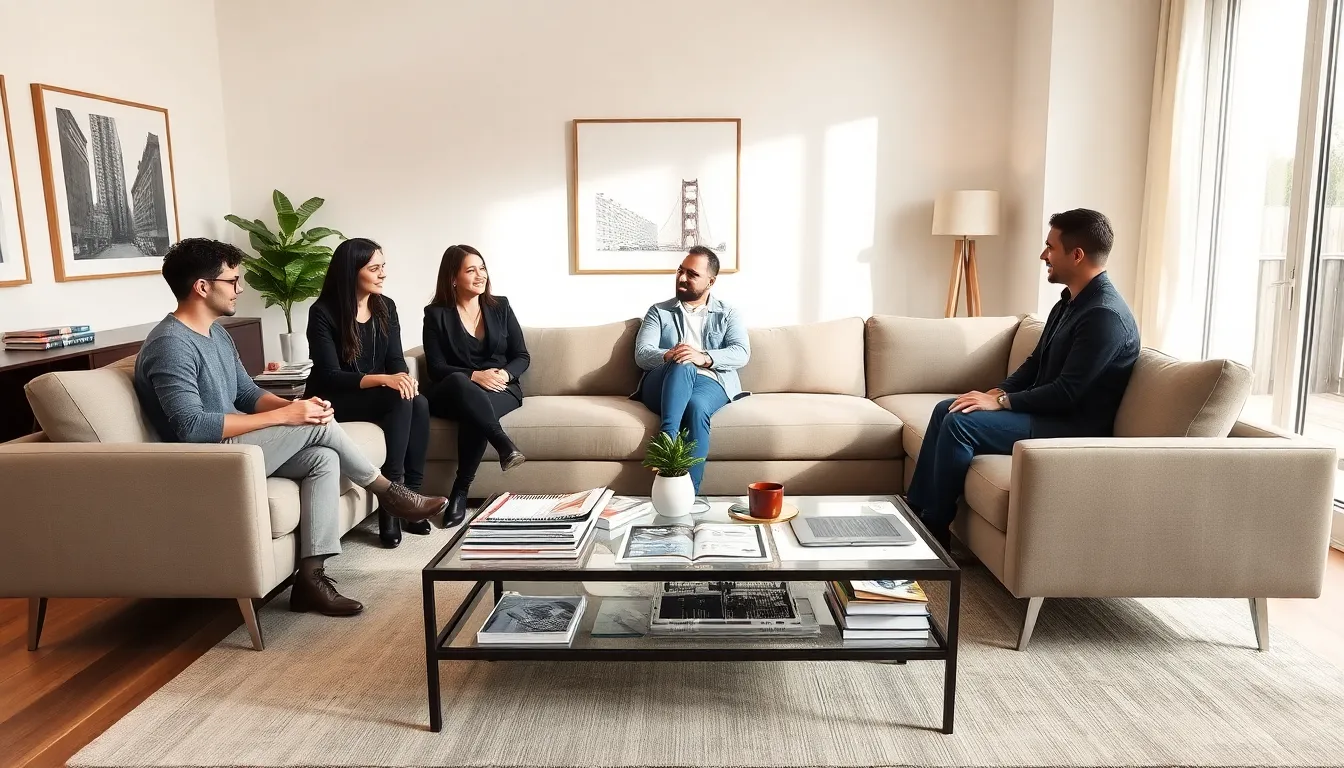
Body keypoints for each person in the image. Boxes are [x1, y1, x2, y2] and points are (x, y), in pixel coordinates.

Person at [133, 238, 449, 617]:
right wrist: (285, 417)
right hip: (206, 462)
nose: (240, 288)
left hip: (237, 447)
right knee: (318, 429)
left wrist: (295, 406)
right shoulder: (171, 345)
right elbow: (192, 427)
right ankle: (389, 492)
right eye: (233, 281)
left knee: (323, 456)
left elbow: (248, 393)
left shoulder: (216, 333)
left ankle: (310, 581)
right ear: (202, 287)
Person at [904, 208, 1140, 549]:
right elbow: (1034, 364)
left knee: (961, 425)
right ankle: (916, 514)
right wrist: (994, 392)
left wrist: (1001, 402)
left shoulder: (1105, 315)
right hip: (1046, 413)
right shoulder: (1069, 303)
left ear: (1076, 255)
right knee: (949, 409)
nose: (1043, 255)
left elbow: (1067, 393)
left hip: (1071, 426)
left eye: (1050, 247)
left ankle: (934, 531)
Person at [305, 237, 432, 549]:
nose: (382, 274)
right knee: (397, 397)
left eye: (383, 267)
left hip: (374, 395)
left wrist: (402, 377)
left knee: (419, 401)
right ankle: (394, 499)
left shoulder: (385, 306)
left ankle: (408, 496)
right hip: (336, 398)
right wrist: (384, 380)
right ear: (352, 272)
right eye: (374, 268)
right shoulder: (323, 312)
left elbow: (396, 360)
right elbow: (331, 375)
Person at [422, 244, 530, 527]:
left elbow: (521, 355)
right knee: (461, 382)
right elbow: (436, 367)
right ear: (453, 278)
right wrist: (473, 375)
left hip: (500, 388)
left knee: (476, 412)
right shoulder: (436, 314)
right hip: (453, 390)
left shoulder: (501, 306)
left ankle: (460, 490)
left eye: (482, 268)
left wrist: (505, 375)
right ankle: (503, 443)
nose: (480, 275)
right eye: (471, 270)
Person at [633, 246, 750, 494]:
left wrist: (703, 357)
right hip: (665, 380)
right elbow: (642, 355)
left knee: (696, 408)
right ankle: (668, 438)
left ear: (711, 281)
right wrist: (671, 354)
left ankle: (688, 496)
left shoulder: (728, 313)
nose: (682, 278)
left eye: (692, 274)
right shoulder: (659, 311)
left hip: (710, 380)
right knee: (682, 362)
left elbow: (741, 352)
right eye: (680, 271)